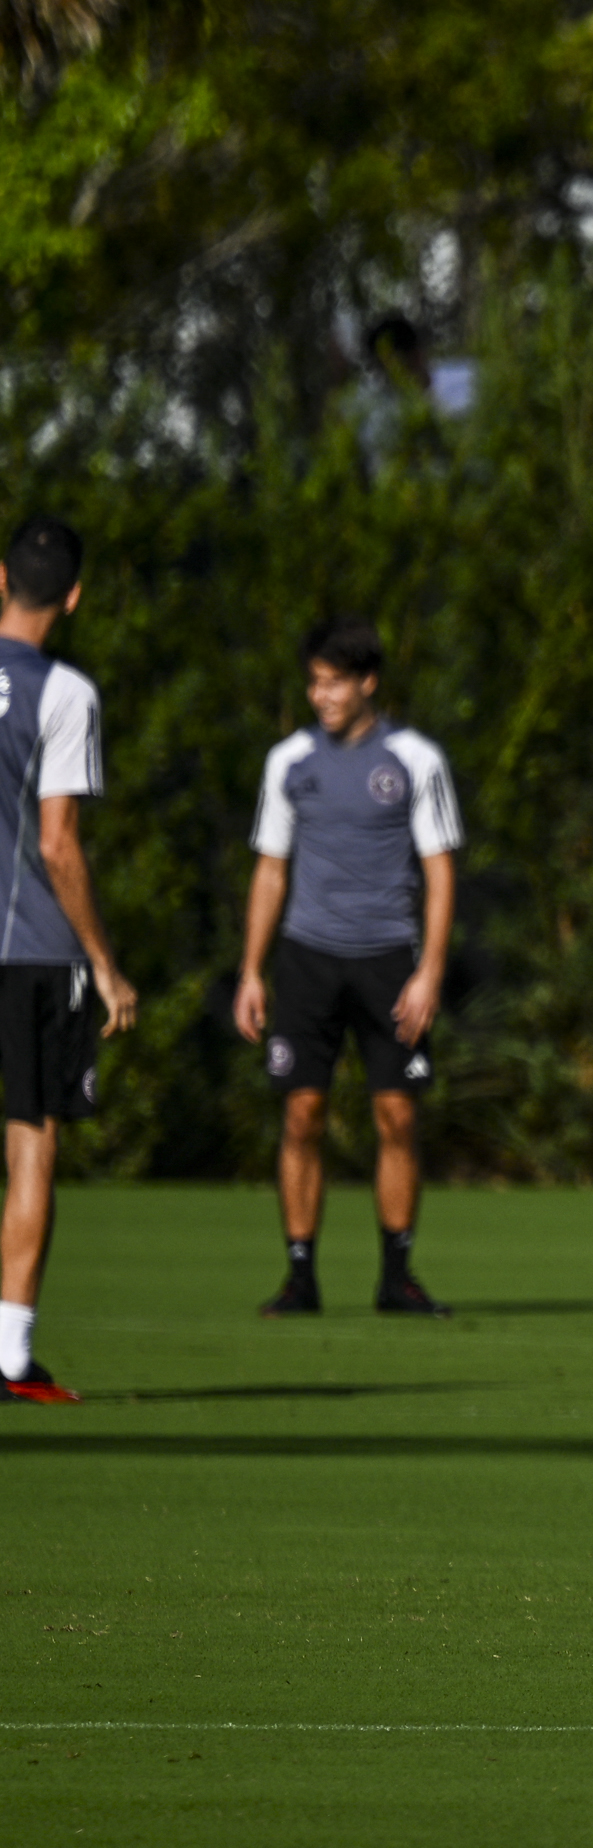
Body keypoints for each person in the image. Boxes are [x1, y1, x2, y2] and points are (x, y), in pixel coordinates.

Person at [234, 618, 467, 1319]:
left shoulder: (417, 760)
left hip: (389, 961)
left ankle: (397, 1276)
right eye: (313, 682)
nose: (321, 695)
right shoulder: (289, 762)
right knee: (302, 1115)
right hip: (307, 960)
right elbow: (271, 870)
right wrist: (251, 969)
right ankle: (299, 1276)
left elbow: (441, 872)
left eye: (334, 682)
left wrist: (428, 972)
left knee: (396, 1117)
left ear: (369, 683)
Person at [0, 516, 130, 1405]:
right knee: (32, 1151)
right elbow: (59, 845)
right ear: (75, 595)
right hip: (30, 955)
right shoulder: (65, 694)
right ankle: (9, 1361)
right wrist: (107, 965)